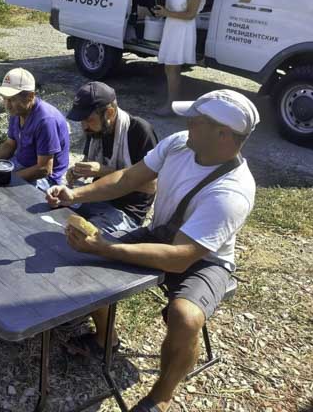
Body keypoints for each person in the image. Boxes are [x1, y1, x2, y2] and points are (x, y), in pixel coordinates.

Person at [47, 89, 259, 412]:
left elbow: (181, 258)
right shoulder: (179, 144)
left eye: (196, 121)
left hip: (204, 259)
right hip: (161, 235)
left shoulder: (232, 191)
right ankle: (106, 338)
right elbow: (129, 178)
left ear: (223, 134)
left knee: (185, 317)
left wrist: (108, 249)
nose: (187, 123)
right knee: (82, 257)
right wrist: (75, 196)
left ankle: (160, 395)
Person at [66, 81, 158, 233]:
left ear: (109, 113)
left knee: (83, 235)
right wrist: (77, 171)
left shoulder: (139, 131)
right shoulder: (95, 129)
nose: (84, 126)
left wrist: (102, 171)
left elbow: (151, 186)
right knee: (54, 206)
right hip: (97, 197)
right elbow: (90, 163)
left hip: (126, 211)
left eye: (88, 120)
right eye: (81, 120)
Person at [0, 68, 70, 191]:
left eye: (12, 99)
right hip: (21, 164)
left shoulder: (45, 121)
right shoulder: (17, 112)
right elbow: (10, 144)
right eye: (5, 99)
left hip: (47, 179)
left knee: (3, 191)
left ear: (30, 96)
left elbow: (44, 169)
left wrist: (10, 178)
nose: (7, 105)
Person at [154, 0, 206, 116]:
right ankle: (172, 102)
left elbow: (190, 15)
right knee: (169, 67)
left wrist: (167, 12)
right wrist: (161, 9)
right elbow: (170, 5)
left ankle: (171, 105)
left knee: (173, 67)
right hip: (171, 27)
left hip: (182, 30)